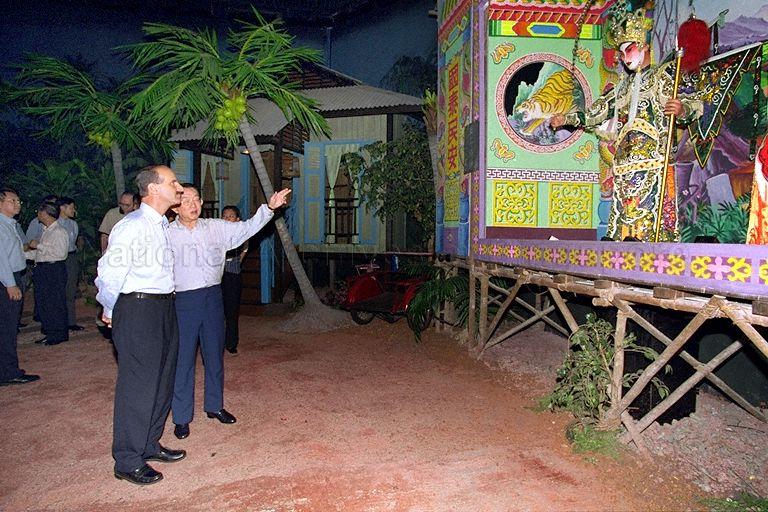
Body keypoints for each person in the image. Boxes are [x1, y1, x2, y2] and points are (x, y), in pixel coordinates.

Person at [550, 5, 704, 242]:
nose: (624, 58)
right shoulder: (622, 88)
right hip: (624, 164)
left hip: (654, 163)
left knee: (652, 218)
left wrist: (681, 109)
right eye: (621, 53)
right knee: (623, 220)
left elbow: (694, 105)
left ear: (643, 47)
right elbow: (596, 112)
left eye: (628, 50)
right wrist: (567, 119)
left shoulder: (663, 77)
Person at [169, 184, 290, 440]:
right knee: (183, 360)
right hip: (183, 301)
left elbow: (246, 227)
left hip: (214, 296)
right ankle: (181, 417)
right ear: (175, 205)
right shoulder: (166, 234)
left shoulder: (215, 227)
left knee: (215, 354)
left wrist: (269, 208)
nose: (192, 204)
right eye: (186, 200)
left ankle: (214, 406)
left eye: (196, 199)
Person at [95, 165, 186, 486]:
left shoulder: (161, 224)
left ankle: (149, 443)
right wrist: (110, 308)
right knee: (138, 384)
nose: (179, 186)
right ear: (154, 189)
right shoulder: (132, 225)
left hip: (163, 307)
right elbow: (109, 271)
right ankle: (128, 459)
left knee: (162, 380)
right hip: (137, 308)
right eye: (172, 182)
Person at [0, 187, 40, 387]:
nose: (17, 204)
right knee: (7, 328)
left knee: (8, 327)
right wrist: (10, 284)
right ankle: (8, 372)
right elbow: (1, 260)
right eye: (12, 201)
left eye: (18, 201)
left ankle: (7, 369)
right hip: (8, 280)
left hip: (13, 277)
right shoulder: (1, 226)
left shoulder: (10, 225)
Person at [29, 201, 69, 346]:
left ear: (45, 213)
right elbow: (43, 254)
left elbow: (60, 253)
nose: (38, 215)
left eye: (39, 212)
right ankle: (50, 331)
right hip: (45, 268)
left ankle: (58, 333)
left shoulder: (59, 231)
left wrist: (37, 245)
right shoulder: (47, 230)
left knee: (54, 302)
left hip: (53, 270)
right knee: (45, 302)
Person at [221, 205, 248, 355]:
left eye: (231, 216)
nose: (227, 218)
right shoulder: (217, 234)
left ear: (237, 219)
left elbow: (245, 249)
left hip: (233, 276)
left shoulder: (241, 234)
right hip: (217, 277)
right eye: (224, 215)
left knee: (232, 311)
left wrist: (236, 263)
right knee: (218, 312)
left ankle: (231, 343)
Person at [57, 197, 83, 331]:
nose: (74, 210)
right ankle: (59, 321)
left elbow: (73, 243)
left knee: (71, 289)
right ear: (62, 208)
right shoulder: (54, 224)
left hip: (71, 257)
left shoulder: (73, 224)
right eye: (71, 207)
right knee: (58, 289)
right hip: (58, 259)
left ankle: (71, 321)